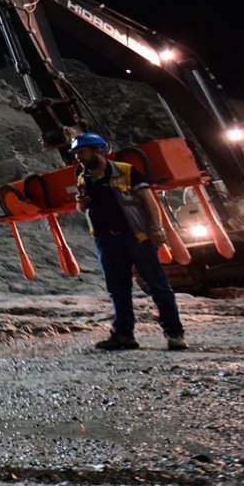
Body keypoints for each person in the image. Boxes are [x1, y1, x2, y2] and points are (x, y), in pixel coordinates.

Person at [71, 133, 187, 351]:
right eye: (76, 154)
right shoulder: (82, 178)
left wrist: (156, 228)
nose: (79, 157)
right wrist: (82, 204)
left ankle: (175, 334)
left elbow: (148, 201)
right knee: (117, 289)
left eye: (82, 152)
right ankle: (123, 335)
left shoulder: (126, 171)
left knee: (158, 286)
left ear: (99, 151)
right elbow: (82, 208)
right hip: (105, 241)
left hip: (135, 237)